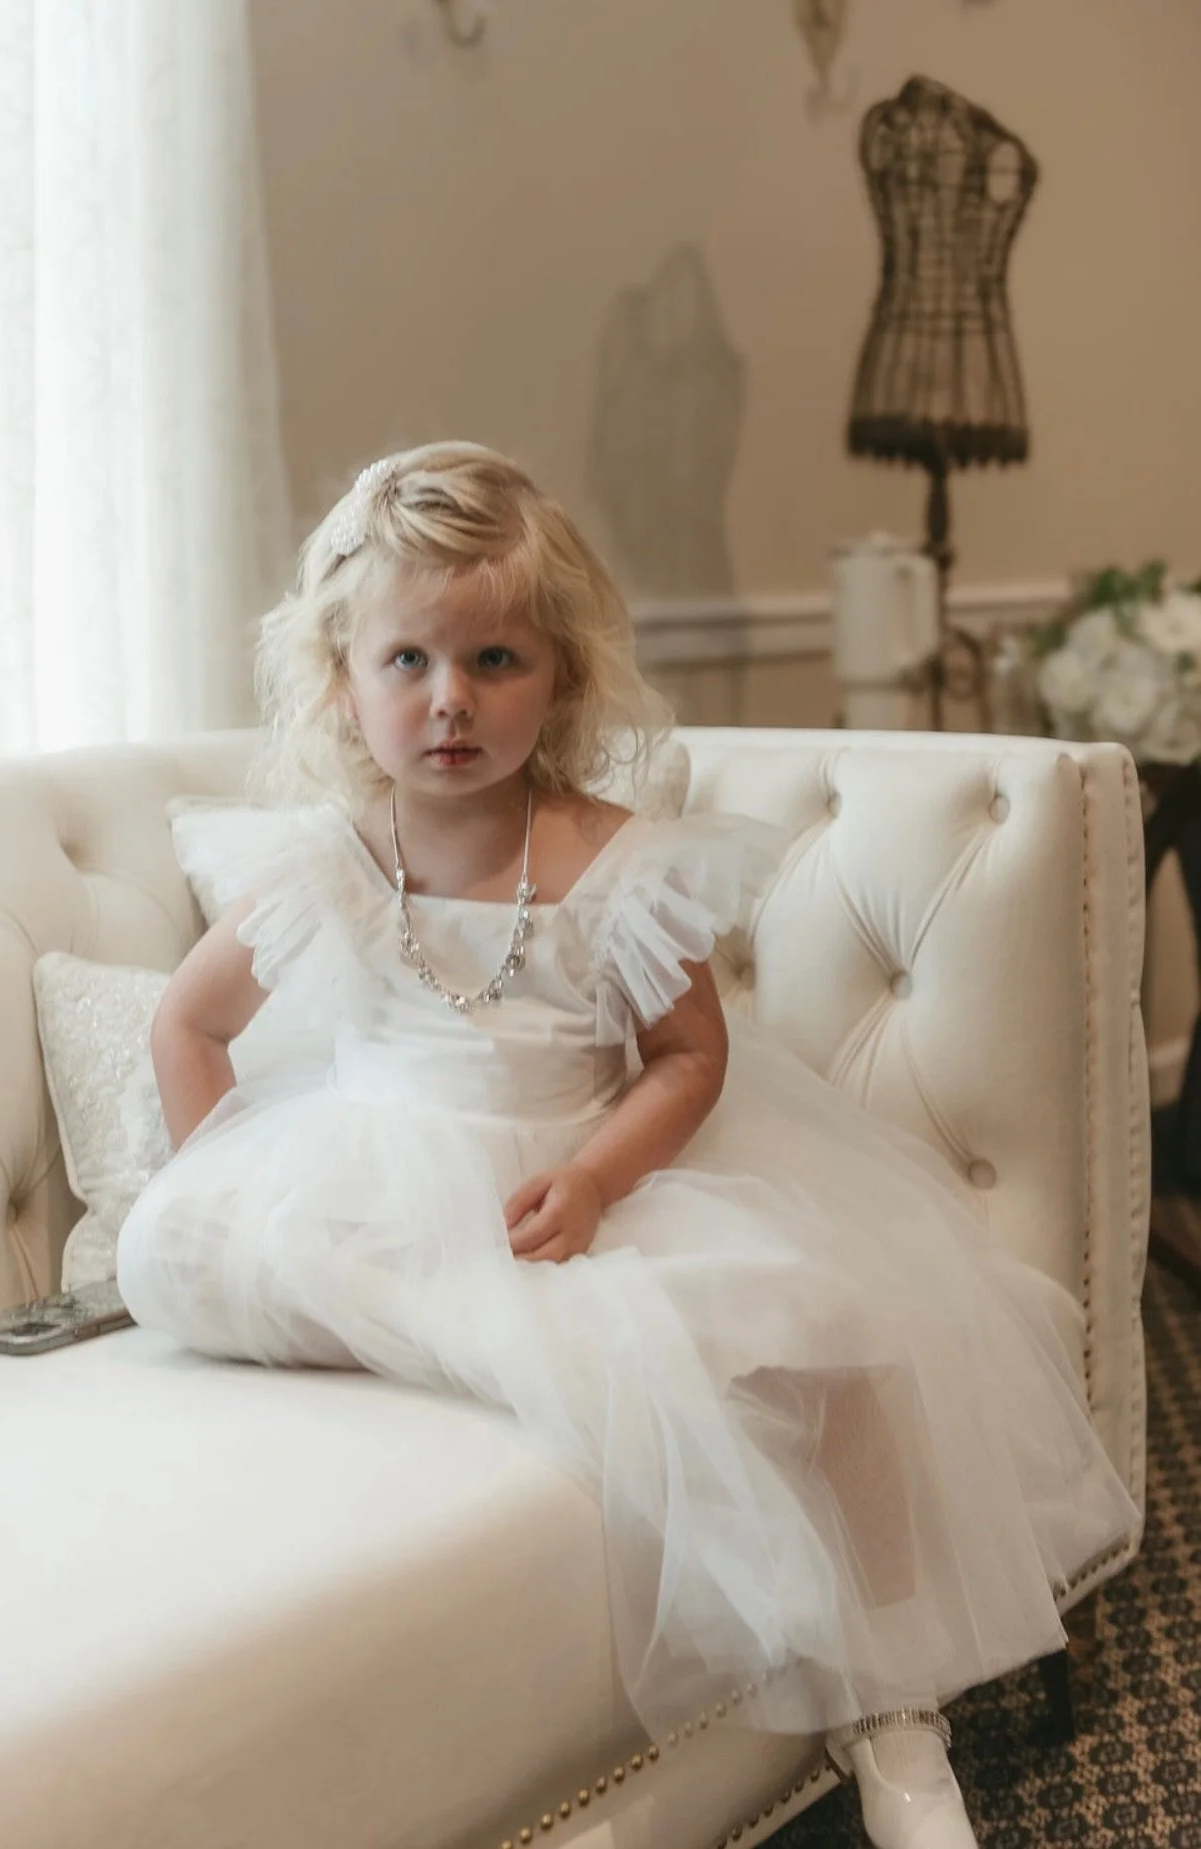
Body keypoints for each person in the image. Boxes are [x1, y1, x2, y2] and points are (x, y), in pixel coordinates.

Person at [117, 442, 1135, 1849]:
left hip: (571, 1184)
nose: (451, 700)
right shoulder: (326, 862)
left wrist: (598, 1178)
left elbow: (689, 1060)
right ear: (345, 686)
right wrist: (218, 1185)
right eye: (407, 661)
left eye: (495, 659)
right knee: (184, 1257)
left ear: (564, 677)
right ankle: (439, 1323)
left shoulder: (615, 860)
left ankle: (899, 1717)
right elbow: (187, 1024)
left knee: (831, 1335)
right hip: (367, 1189)